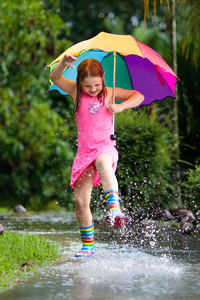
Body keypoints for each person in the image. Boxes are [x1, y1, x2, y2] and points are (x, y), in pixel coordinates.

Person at [49, 54, 144, 258]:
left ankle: (115, 208)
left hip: (105, 146)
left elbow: (138, 95)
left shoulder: (109, 93)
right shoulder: (76, 92)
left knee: (103, 162)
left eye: (97, 85)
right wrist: (63, 65)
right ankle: (88, 245)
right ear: (80, 83)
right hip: (84, 153)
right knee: (81, 202)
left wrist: (120, 106)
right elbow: (54, 77)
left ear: (103, 79)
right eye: (88, 86)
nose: (93, 90)